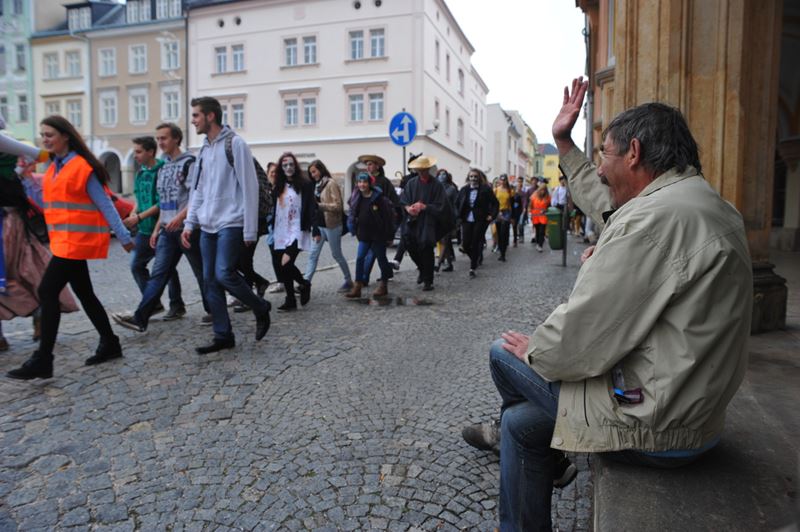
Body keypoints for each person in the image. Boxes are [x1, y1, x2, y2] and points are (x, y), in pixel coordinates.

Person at [461, 78, 753, 531]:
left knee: (503, 353)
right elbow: (609, 207)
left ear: (633, 153)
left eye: (604, 155)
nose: (599, 168)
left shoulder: (654, 221)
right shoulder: (695, 202)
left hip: (658, 421)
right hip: (691, 408)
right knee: (521, 423)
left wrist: (534, 351)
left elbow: (582, 340)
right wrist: (564, 142)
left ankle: (544, 462)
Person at [7, 115, 136, 380]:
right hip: (64, 241)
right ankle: (110, 342)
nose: (44, 139)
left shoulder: (81, 166)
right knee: (85, 293)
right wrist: (24, 177)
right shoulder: (55, 167)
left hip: (76, 243)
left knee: (47, 290)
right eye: (42, 135)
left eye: (50, 135)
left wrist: (123, 236)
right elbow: (45, 199)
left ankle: (43, 359)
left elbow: (105, 204)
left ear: (66, 136)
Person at [180, 97, 271, 355]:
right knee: (209, 281)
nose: (193, 120)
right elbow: (197, 190)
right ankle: (223, 334)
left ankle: (260, 307)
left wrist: (250, 229)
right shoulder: (204, 150)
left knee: (223, 273)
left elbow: (250, 186)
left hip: (232, 221)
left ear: (210, 116)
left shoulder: (235, 144)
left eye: (196, 115)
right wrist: (190, 224)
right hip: (207, 224)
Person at [111, 123, 209, 333]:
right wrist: (158, 228)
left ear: (176, 139)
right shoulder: (164, 166)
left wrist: (181, 218)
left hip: (187, 229)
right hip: (166, 230)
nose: (160, 143)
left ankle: (213, 310)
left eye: (163, 138)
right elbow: (164, 202)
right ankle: (141, 318)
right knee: (158, 274)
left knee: (201, 272)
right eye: (158, 139)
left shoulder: (189, 163)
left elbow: (196, 196)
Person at [123, 136, 184, 319]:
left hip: (162, 227)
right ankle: (154, 303)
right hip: (144, 229)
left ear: (150, 151)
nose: (135, 155)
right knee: (136, 265)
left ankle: (176, 305)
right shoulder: (141, 172)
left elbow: (160, 203)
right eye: (134, 152)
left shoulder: (161, 170)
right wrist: (134, 213)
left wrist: (140, 216)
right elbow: (138, 198)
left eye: (139, 151)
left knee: (167, 269)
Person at [268, 152, 317, 311]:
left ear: (295, 166)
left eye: (290, 165)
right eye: (284, 165)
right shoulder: (278, 186)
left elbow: (311, 207)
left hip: (297, 229)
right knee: (283, 267)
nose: (288, 168)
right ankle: (291, 299)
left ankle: (303, 284)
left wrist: (314, 228)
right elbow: (274, 208)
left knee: (286, 262)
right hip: (281, 230)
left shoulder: (305, 185)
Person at [399, 156, 451, 291]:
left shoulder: (437, 185)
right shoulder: (411, 183)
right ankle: (423, 270)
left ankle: (428, 281)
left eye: (424, 170)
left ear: (428, 169)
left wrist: (425, 207)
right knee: (410, 247)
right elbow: (403, 201)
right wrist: (408, 209)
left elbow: (442, 205)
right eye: (419, 170)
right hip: (413, 222)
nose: (421, 172)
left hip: (428, 222)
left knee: (427, 249)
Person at [304, 159, 353, 292]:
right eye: (311, 173)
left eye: (314, 171)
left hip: (332, 225)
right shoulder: (315, 185)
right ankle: (305, 283)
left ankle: (349, 281)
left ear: (321, 169)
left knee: (336, 254)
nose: (313, 175)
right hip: (319, 226)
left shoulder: (331, 184)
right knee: (313, 255)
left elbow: (338, 206)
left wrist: (320, 206)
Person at [345, 172, 395, 298]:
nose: (362, 184)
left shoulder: (378, 198)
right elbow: (353, 214)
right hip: (364, 234)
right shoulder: (357, 197)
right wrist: (354, 227)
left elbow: (387, 218)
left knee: (381, 259)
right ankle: (358, 286)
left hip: (378, 235)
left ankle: (384, 284)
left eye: (365, 182)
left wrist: (389, 236)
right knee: (360, 258)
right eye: (360, 182)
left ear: (369, 183)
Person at [456, 168, 498, 278]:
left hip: (480, 219)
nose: (473, 179)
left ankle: (472, 268)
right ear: (468, 178)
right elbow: (456, 203)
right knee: (465, 244)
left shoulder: (485, 189)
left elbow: (495, 203)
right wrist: (457, 215)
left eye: (475, 176)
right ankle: (475, 258)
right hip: (466, 219)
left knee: (475, 242)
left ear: (479, 178)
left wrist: (491, 215)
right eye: (471, 176)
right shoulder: (464, 190)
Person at [435, 169, 458, 273]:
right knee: (443, 241)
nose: (442, 176)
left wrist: (457, 218)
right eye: (440, 174)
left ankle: (438, 264)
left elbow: (456, 204)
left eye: (444, 174)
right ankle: (450, 264)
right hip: (437, 217)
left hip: (448, 217)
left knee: (444, 240)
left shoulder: (452, 189)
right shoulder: (435, 188)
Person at [493, 174, 513, 262]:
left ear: (506, 180)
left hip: (506, 212)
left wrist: (512, 216)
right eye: (501, 180)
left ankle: (503, 254)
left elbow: (512, 203)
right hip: (498, 212)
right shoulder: (496, 190)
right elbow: (493, 202)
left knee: (504, 233)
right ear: (499, 181)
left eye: (504, 180)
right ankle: (501, 251)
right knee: (499, 234)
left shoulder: (510, 190)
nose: (503, 181)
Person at [529, 181, 550, 252]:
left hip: (543, 217)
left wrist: (545, 210)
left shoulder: (548, 197)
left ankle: (540, 245)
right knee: (537, 231)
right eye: (542, 189)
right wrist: (530, 214)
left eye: (544, 190)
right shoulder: (534, 196)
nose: (543, 191)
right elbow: (530, 205)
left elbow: (549, 206)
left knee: (542, 232)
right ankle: (538, 243)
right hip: (535, 217)